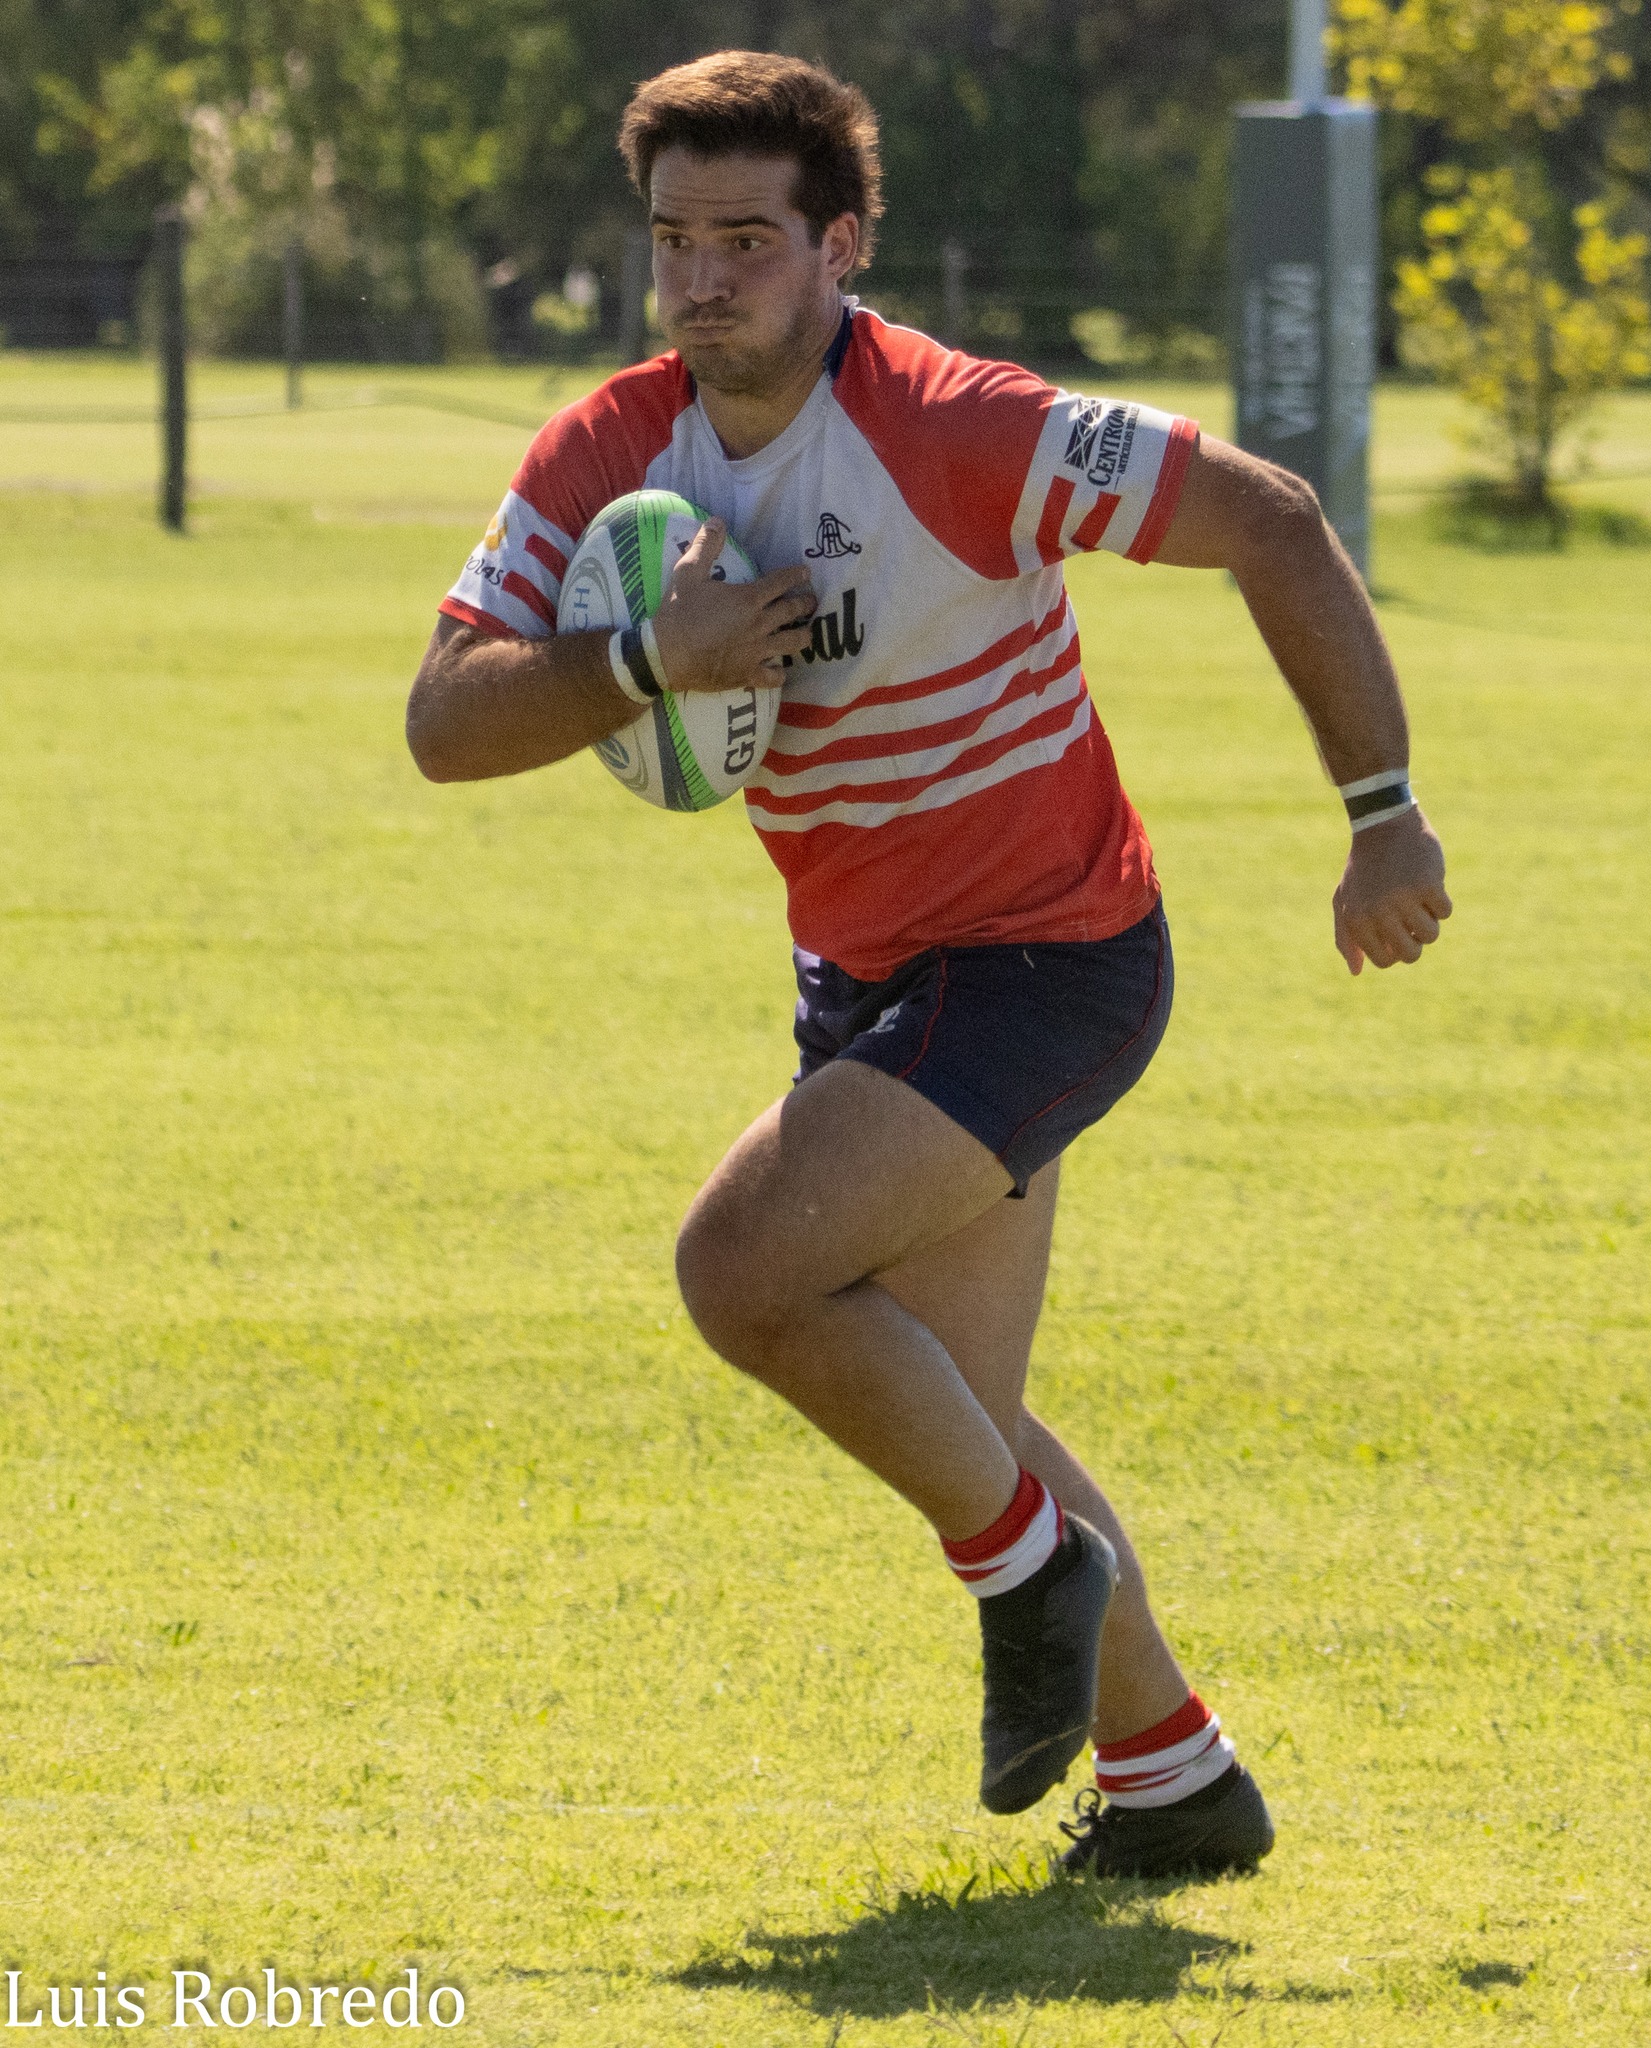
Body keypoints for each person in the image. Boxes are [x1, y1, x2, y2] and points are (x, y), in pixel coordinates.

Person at [405, 51, 1452, 1878]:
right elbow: (443, 718)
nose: (705, 277)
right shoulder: (605, 449)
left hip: (1052, 956)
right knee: (958, 1410)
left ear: (843, 244)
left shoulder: (962, 426)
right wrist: (657, 655)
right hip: (868, 978)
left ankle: (1036, 1581)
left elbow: (1270, 518)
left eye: (749, 238)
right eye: (676, 242)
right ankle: (1177, 1783)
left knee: (744, 1270)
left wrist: (1384, 815)